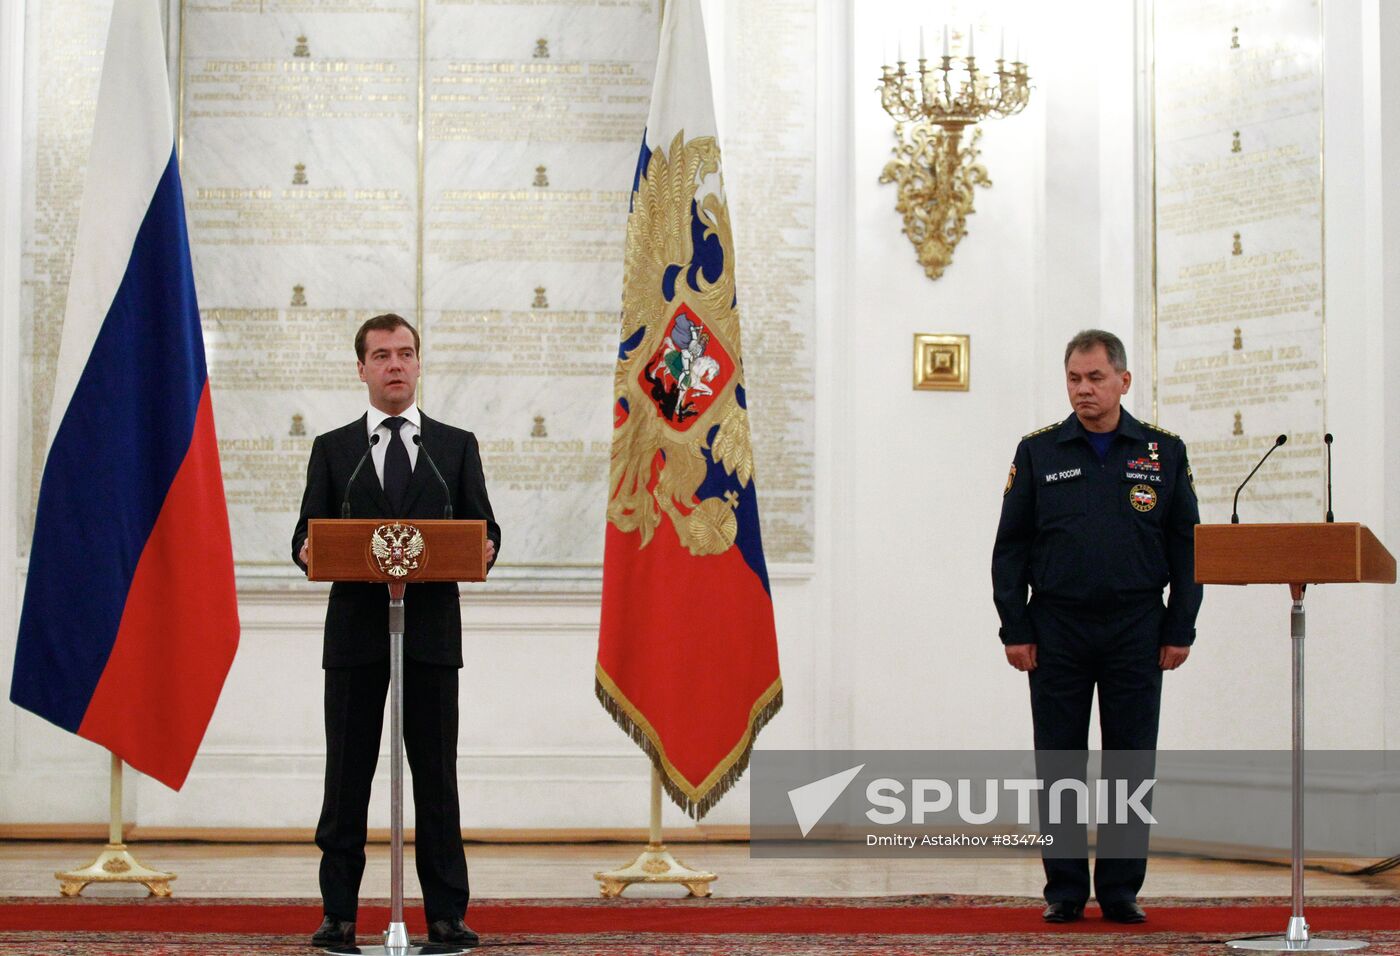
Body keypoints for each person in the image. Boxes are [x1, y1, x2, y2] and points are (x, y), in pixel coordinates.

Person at [292, 313, 500, 949]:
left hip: (430, 634)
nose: (395, 365)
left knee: (436, 777)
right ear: (361, 368)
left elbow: (485, 531)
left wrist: (484, 549)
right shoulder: (335, 450)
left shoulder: (453, 446)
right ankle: (338, 915)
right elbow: (305, 537)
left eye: (405, 354)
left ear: (418, 363)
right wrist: (311, 552)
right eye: (381, 355)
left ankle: (445, 914)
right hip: (357, 637)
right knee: (346, 777)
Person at [991, 329, 1201, 925]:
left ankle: (1119, 889)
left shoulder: (1163, 452)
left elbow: (1188, 548)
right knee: (1059, 760)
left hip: (1138, 625)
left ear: (1123, 381)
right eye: (1074, 380)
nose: (1083, 390)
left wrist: (1179, 627)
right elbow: (1010, 549)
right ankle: (1063, 889)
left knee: (1131, 760)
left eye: (1095, 379)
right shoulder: (1040, 452)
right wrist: (1015, 627)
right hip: (1056, 626)